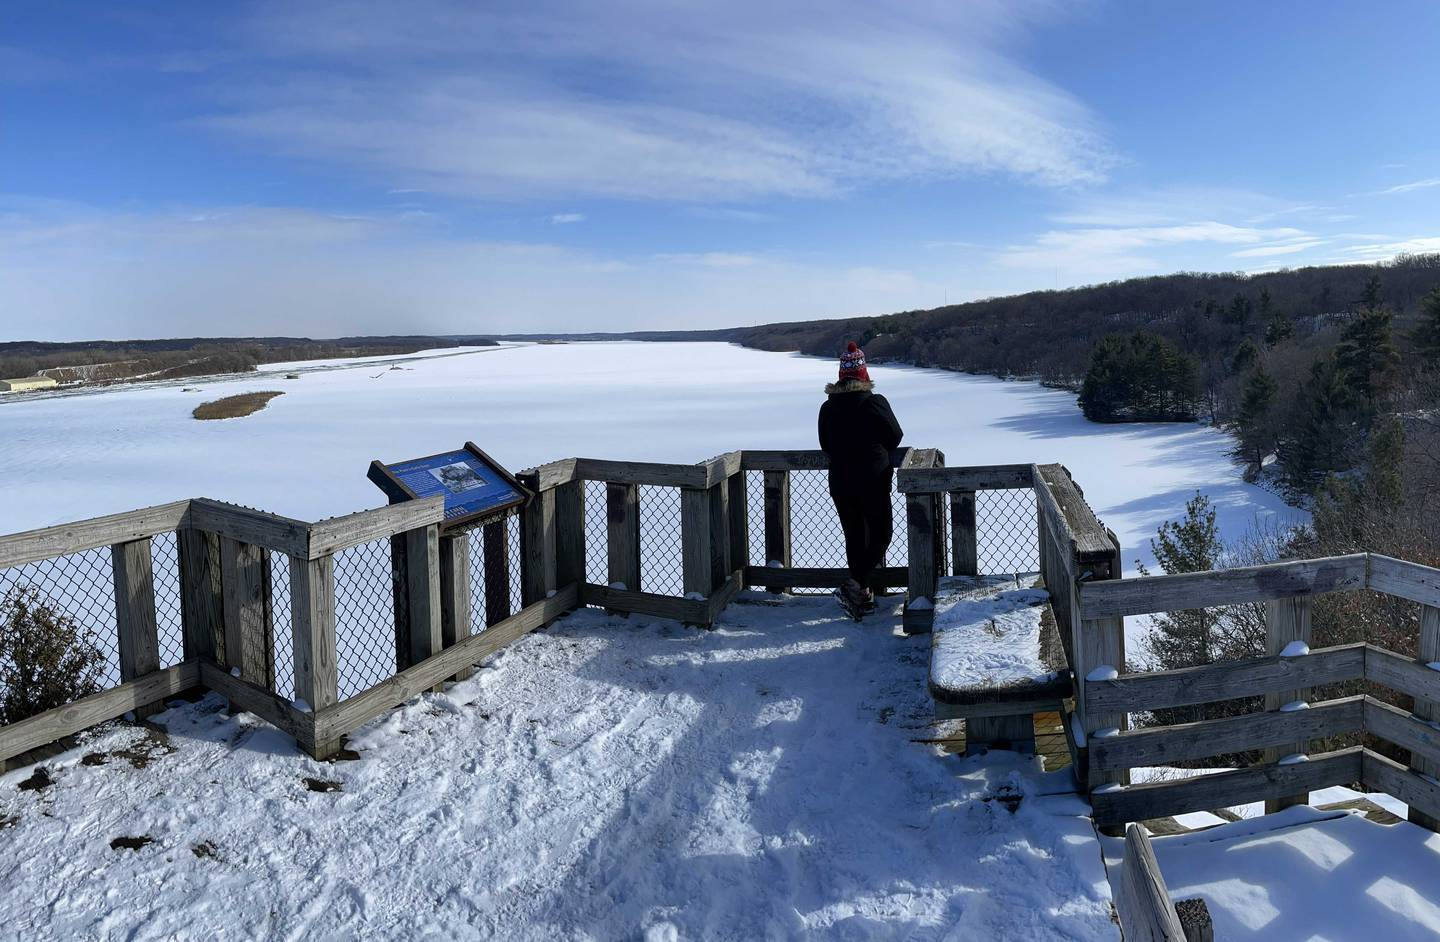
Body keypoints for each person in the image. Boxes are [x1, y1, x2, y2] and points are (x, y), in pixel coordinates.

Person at [818, 341, 904, 618]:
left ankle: (861, 595)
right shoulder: (874, 403)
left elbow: (825, 444)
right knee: (881, 535)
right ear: (864, 375)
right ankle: (856, 585)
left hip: (841, 482)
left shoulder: (828, 408)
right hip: (873, 479)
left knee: (855, 536)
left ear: (841, 377)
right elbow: (895, 436)